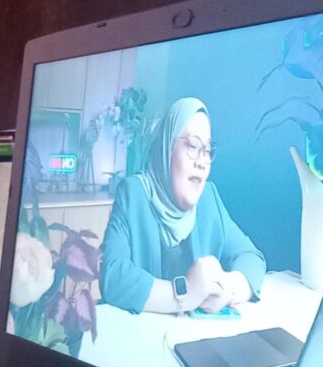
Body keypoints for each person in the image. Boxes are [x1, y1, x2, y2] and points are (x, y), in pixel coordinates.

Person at [99, 97, 266, 315]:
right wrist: (185, 294)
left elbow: (252, 257)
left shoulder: (208, 198)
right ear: (167, 149)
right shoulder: (133, 193)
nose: (202, 161)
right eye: (193, 146)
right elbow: (113, 277)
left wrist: (229, 289)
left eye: (208, 150)